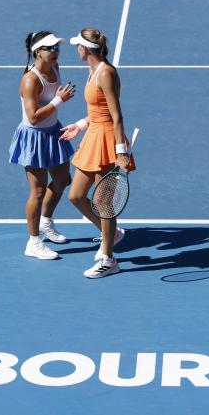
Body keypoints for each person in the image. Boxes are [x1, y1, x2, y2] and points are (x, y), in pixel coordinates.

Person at [61, 28, 136, 278]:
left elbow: (116, 116)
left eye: (77, 46)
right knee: (76, 195)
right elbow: (97, 109)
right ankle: (111, 234)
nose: (76, 50)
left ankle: (108, 258)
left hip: (107, 141)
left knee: (104, 202)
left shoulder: (106, 73)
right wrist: (80, 125)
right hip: (93, 135)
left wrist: (121, 152)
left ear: (85, 48)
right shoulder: (92, 70)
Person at [9, 31, 77, 260]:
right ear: (37, 51)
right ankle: (33, 242)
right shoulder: (30, 79)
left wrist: (57, 101)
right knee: (37, 191)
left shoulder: (55, 69)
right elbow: (33, 117)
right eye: (50, 48)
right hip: (35, 137)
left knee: (62, 180)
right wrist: (59, 100)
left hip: (53, 132)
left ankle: (45, 222)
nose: (56, 51)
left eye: (57, 47)